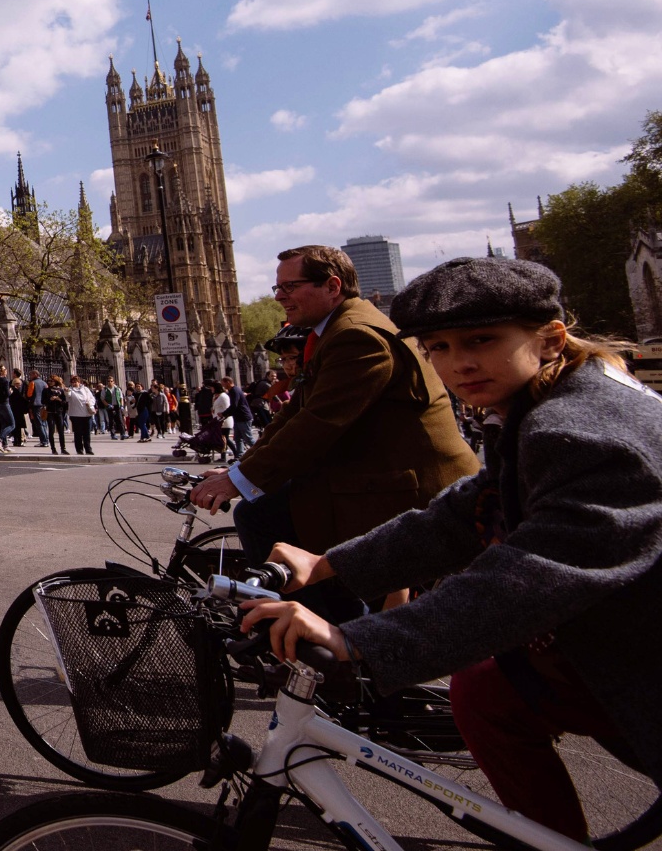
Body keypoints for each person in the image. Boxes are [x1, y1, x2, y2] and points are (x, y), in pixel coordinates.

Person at [240, 256, 662, 844]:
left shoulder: (578, 429)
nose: (457, 362)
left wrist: (356, 637)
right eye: (437, 347)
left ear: (550, 339)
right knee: (486, 691)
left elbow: (530, 577)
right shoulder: (543, 399)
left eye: (481, 340)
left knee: (495, 686)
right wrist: (326, 563)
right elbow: (461, 514)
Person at [194, 243, 478, 623]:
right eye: (278, 288)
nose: (280, 297)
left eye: (290, 287)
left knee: (259, 515)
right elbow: (297, 412)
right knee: (274, 509)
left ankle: (322, 639)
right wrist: (240, 469)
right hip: (380, 473)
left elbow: (318, 425)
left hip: (410, 485)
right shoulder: (339, 328)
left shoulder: (356, 336)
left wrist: (240, 481)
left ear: (332, 285)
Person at [66, 375, 97, 456]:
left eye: (75, 382)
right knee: (78, 433)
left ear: (79, 382)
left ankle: (88, 449)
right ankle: (79, 449)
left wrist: (90, 403)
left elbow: (92, 399)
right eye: (72, 382)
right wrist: (66, 391)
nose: (74, 384)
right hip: (75, 415)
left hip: (87, 414)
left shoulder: (85, 389)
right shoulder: (70, 390)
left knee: (87, 433)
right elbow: (67, 397)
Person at [42, 375, 68, 455]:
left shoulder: (60, 390)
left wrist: (59, 399)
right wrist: (50, 399)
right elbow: (43, 401)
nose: (49, 382)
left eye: (51, 381)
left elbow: (64, 402)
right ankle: (53, 448)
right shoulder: (46, 390)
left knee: (61, 431)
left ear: (55, 381)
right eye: (49, 381)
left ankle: (63, 448)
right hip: (50, 412)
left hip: (59, 412)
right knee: (51, 431)